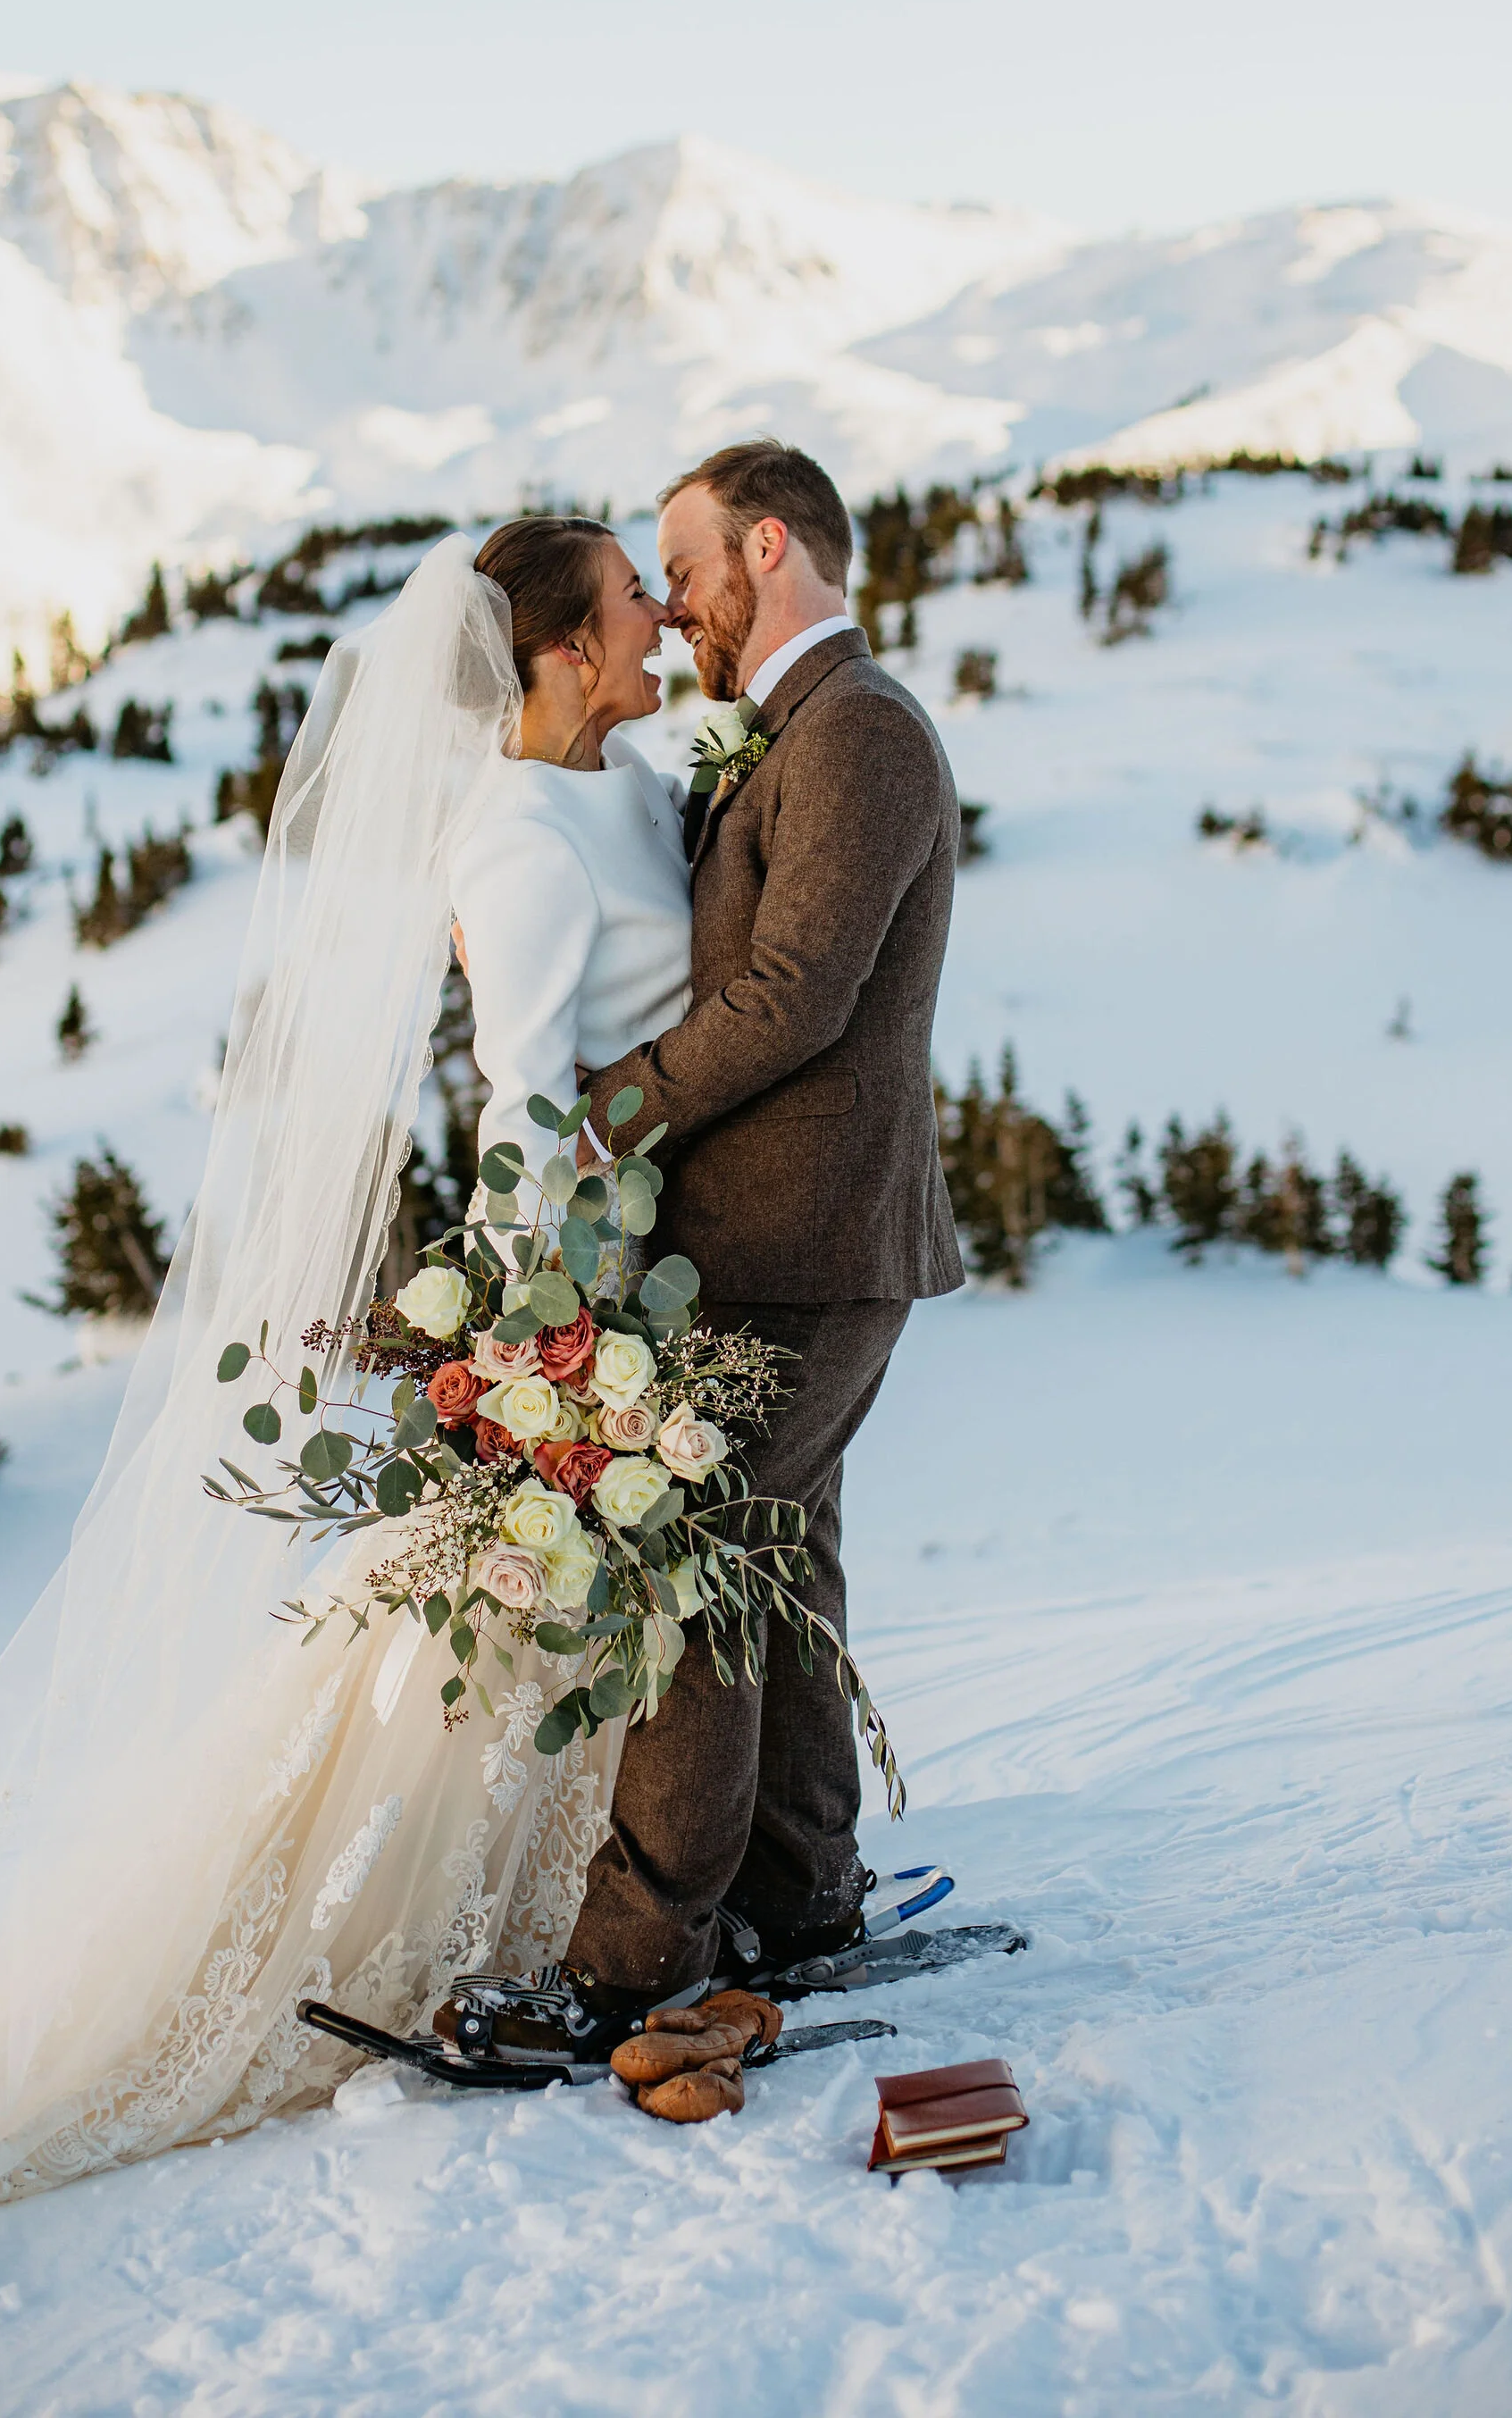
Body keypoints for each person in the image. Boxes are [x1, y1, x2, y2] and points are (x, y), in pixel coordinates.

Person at [0, 518, 694, 2259]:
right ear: (556, 654)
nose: (659, 619)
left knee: (553, 1625)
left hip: (649, 1264)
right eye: (631, 601)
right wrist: (535, 1328)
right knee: (511, 1632)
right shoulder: (523, 839)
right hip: (579, 1290)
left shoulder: (626, 771)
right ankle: (474, 1946)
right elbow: (526, 1102)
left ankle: (604, 1922)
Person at [461, 439, 965, 2058]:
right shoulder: (782, 734)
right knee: (773, 1556)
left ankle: (630, 1959)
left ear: (765, 548)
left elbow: (796, 996)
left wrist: (608, 1114)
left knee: (689, 1587)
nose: (674, 614)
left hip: (811, 1233)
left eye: (683, 570)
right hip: (755, 1239)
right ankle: (803, 1896)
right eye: (648, 589)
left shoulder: (861, 733)